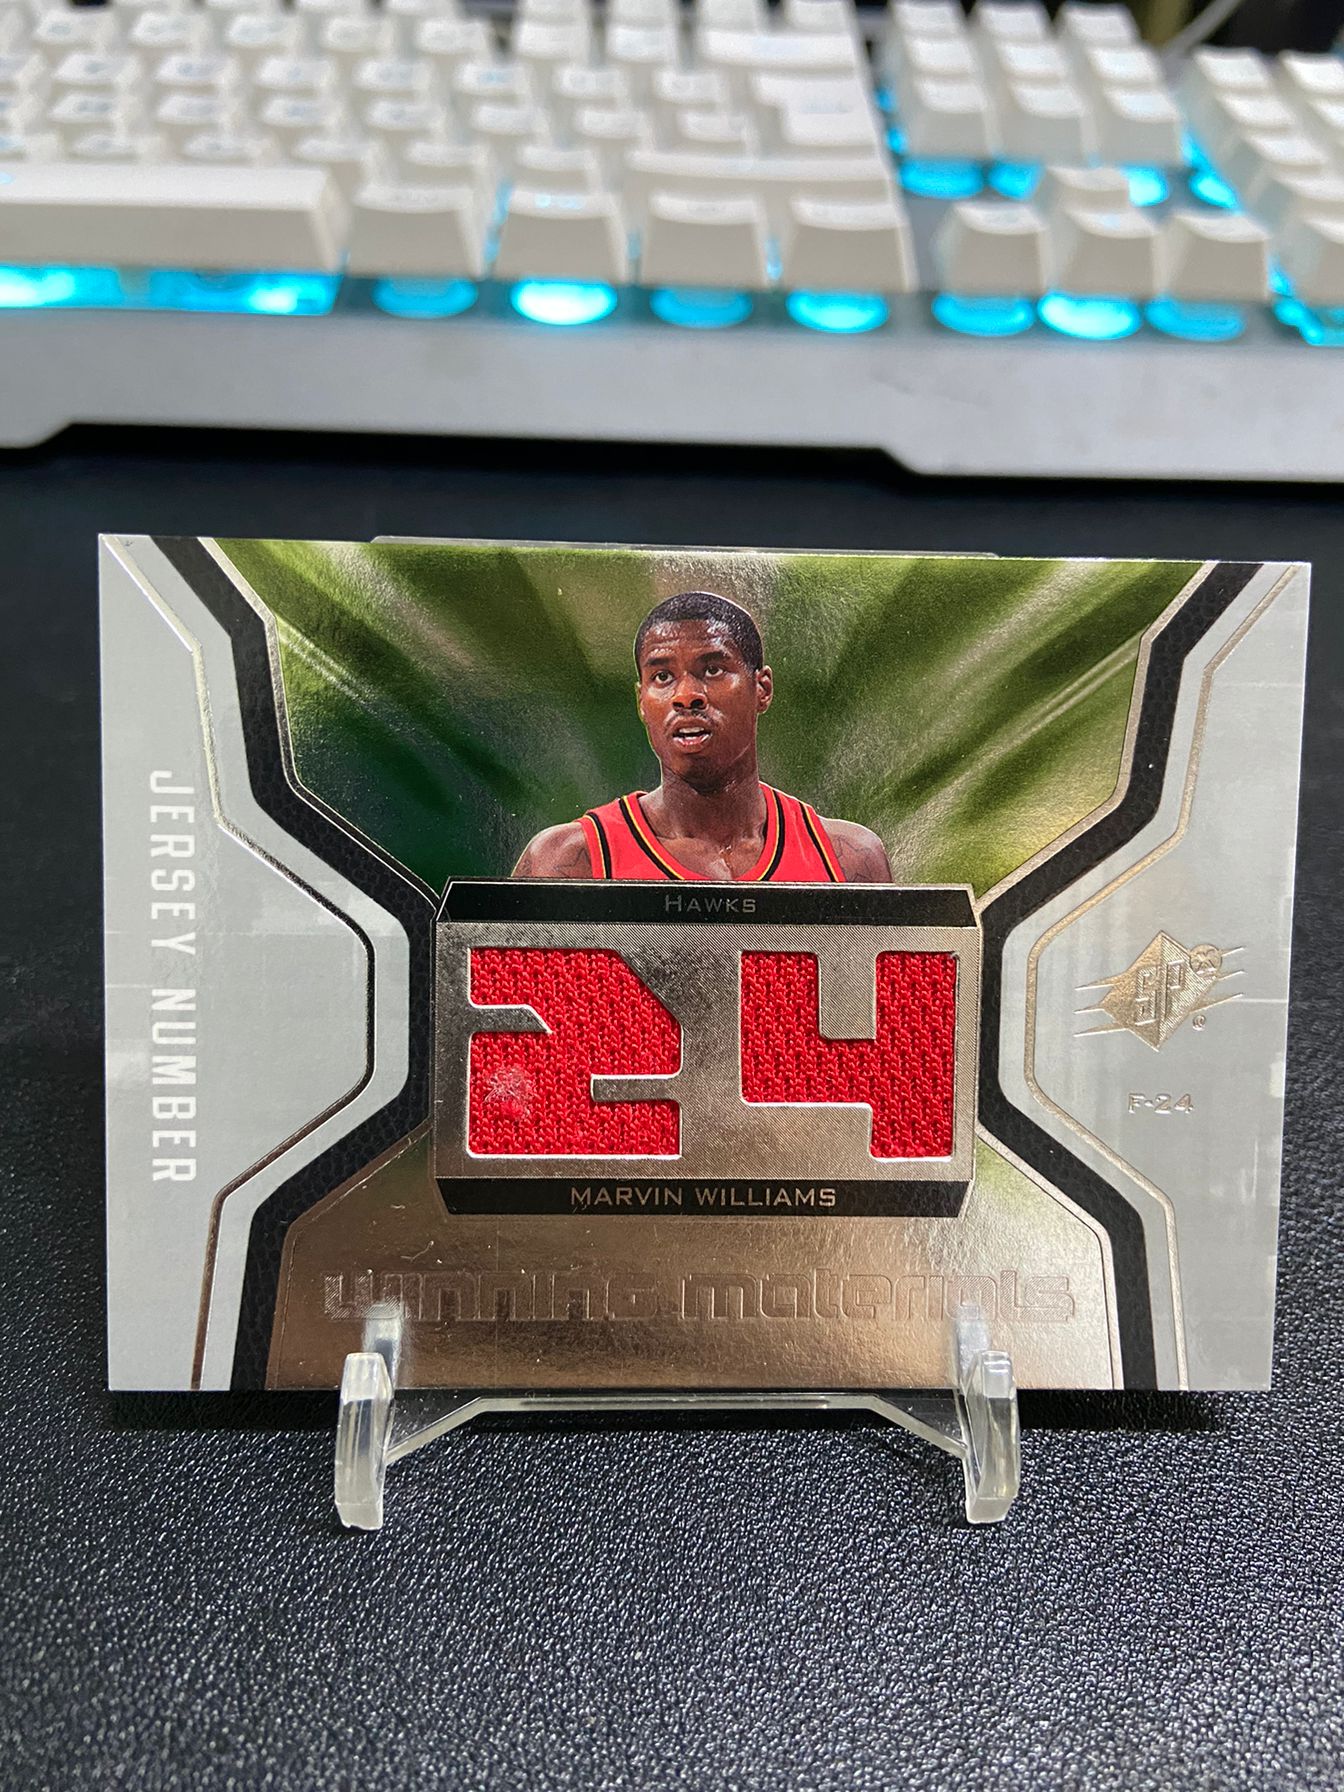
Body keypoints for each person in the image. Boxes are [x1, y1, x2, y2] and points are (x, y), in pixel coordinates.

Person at [512, 590, 892, 884]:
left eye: (712, 669)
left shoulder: (848, 859)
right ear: (642, 701)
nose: (685, 695)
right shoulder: (568, 860)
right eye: (662, 676)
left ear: (762, 689)